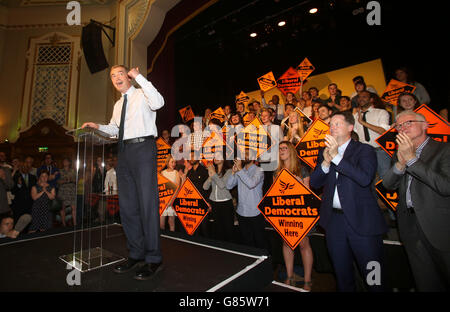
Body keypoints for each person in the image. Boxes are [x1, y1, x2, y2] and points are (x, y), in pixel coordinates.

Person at [81, 65, 164, 280]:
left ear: (128, 76)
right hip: (123, 151)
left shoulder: (143, 93)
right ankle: (136, 254)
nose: (116, 78)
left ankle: (154, 258)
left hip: (143, 148)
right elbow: (114, 130)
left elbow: (159, 102)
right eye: (112, 75)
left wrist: (140, 78)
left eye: (120, 74)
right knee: (127, 207)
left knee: (147, 204)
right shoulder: (118, 104)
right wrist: (96, 126)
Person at [310, 111, 387, 292]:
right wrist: (326, 163)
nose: (332, 127)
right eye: (331, 124)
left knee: (373, 276)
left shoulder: (364, 150)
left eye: (337, 124)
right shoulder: (324, 153)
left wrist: (337, 157)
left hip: (363, 222)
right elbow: (314, 182)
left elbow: (364, 178)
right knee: (342, 274)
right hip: (335, 222)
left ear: (350, 128)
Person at [382, 111, 450, 291]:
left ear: (425, 125)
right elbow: (388, 184)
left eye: (408, 123)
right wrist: (401, 164)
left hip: (439, 227)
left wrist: (412, 160)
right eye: (399, 126)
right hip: (409, 227)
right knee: (425, 282)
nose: (403, 128)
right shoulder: (399, 154)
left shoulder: (444, 150)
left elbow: (445, 186)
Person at [276, 141, 314, 291]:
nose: (282, 151)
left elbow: (309, 194)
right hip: (284, 214)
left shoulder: (302, 170)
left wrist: (300, 184)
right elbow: (275, 195)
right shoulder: (277, 171)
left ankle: (307, 280)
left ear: (291, 151)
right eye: (279, 149)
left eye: (285, 148)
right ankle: (290, 276)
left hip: (301, 215)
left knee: (304, 246)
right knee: (287, 244)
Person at [226, 152, 265, 249]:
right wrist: (233, 172)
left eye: (248, 153)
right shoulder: (240, 171)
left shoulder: (259, 170)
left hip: (255, 212)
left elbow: (251, 184)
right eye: (244, 154)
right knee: (247, 242)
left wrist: (239, 170)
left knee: (260, 241)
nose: (245, 156)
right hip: (242, 212)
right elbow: (228, 186)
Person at [353, 90, 391, 178]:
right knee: (368, 180)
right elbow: (356, 135)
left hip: (380, 150)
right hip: (364, 152)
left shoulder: (381, 112)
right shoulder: (355, 116)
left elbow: (383, 131)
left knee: (385, 179)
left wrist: (363, 123)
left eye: (364, 97)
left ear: (371, 100)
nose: (361, 99)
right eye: (359, 97)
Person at [203, 159, 234, 242]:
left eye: (218, 155)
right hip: (215, 203)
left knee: (228, 230)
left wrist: (213, 174)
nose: (216, 158)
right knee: (217, 229)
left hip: (226, 203)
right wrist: (210, 176)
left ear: (223, 159)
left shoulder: (229, 171)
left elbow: (222, 185)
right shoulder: (213, 171)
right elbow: (205, 187)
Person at [160, 155, 181, 232]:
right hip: (163, 201)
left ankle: (172, 240)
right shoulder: (162, 173)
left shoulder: (176, 173)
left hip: (172, 200)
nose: (174, 164)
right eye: (172, 162)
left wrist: (171, 201)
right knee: (161, 223)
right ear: (167, 162)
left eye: (175, 162)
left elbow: (177, 188)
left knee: (171, 222)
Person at [57, 158, 77, 227]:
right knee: (63, 208)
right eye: (64, 161)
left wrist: (71, 180)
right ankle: (64, 224)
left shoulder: (73, 171)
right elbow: (58, 182)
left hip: (72, 191)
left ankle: (75, 224)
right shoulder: (59, 171)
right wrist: (65, 181)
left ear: (69, 163)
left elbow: (76, 180)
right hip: (63, 191)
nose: (65, 162)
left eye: (66, 161)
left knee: (74, 208)